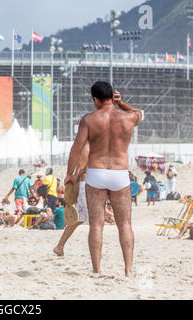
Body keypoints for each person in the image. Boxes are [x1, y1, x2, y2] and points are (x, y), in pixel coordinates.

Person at [63, 82, 143, 277]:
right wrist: (122, 103)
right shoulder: (128, 117)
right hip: (120, 173)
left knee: (96, 225)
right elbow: (139, 113)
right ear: (112, 96)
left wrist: (70, 173)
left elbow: (76, 148)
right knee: (125, 224)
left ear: (95, 99)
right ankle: (128, 270)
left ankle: (97, 270)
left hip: (96, 173)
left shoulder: (89, 120)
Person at [54, 143, 90, 257]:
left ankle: (59, 246)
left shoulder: (92, 146)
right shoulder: (86, 148)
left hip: (86, 186)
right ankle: (96, 251)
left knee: (79, 218)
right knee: (96, 220)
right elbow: (79, 169)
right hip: (85, 186)